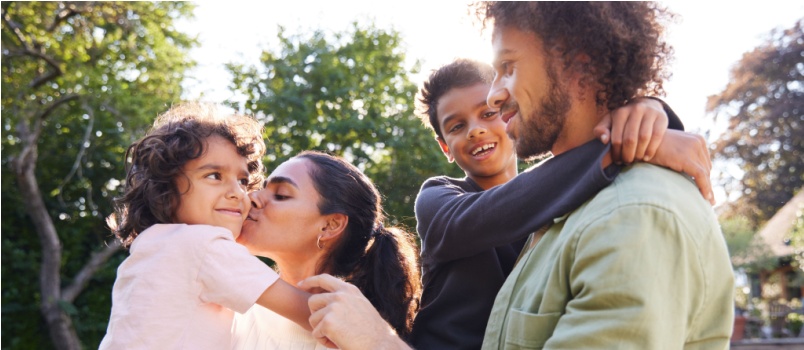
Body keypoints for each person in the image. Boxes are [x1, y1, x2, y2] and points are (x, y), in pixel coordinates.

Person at [476, 2, 733, 348]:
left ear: (577, 62)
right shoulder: (568, 210)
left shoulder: (633, 214)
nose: (493, 95)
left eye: (508, 67)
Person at [409, 58, 713, 349]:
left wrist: (647, 111)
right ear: (445, 146)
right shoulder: (438, 197)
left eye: (488, 113)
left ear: (510, 113)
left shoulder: (565, 193)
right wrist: (617, 150)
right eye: (457, 126)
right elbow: (493, 213)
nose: (475, 130)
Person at [99, 103, 311, 349]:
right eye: (214, 176)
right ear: (166, 189)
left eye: (243, 180)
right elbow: (311, 313)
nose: (238, 193)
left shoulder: (151, 243)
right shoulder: (203, 245)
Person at [231, 151, 420, 349]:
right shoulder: (233, 308)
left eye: (280, 195)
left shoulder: (357, 337)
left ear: (330, 225)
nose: (251, 197)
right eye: (261, 188)